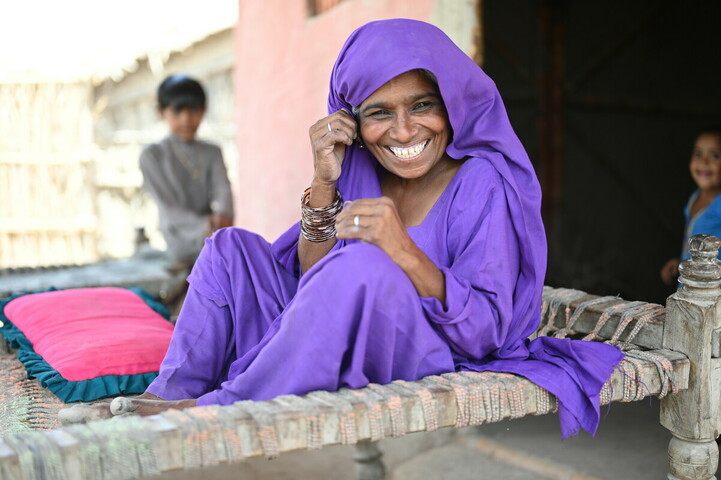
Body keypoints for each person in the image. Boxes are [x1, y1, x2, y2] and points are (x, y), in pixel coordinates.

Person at [66, 19, 623, 438]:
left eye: (423, 105)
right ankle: (171, 398)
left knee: (360, 263)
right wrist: (324, 178)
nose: (404, 130)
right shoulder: (360, 169)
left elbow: (488, 331)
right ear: (354, 122)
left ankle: (215, 408)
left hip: (425, 352)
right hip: (331, 333)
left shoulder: (480, 182)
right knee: (229, 247)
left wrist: (402, 252)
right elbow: (313, 279)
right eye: (380, 113)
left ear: (451, 106)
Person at [139, 74, 235, 269]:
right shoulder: (152, 155)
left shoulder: (212, 152)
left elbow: (224, 191)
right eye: (177, 111)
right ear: (161, 112)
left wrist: (223, 217)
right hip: (178, 238)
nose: (186, 119)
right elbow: (169, 208)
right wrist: (206, 225)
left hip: (214, 234)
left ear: (204, 110)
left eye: (194, 110)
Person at [660, 127, 721, 285]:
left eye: (715, 155)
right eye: (698, 153)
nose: (704, 162)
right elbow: (692, 242)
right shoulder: (695, 197)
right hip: (689, 286)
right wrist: (682, 262)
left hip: (712, 292)